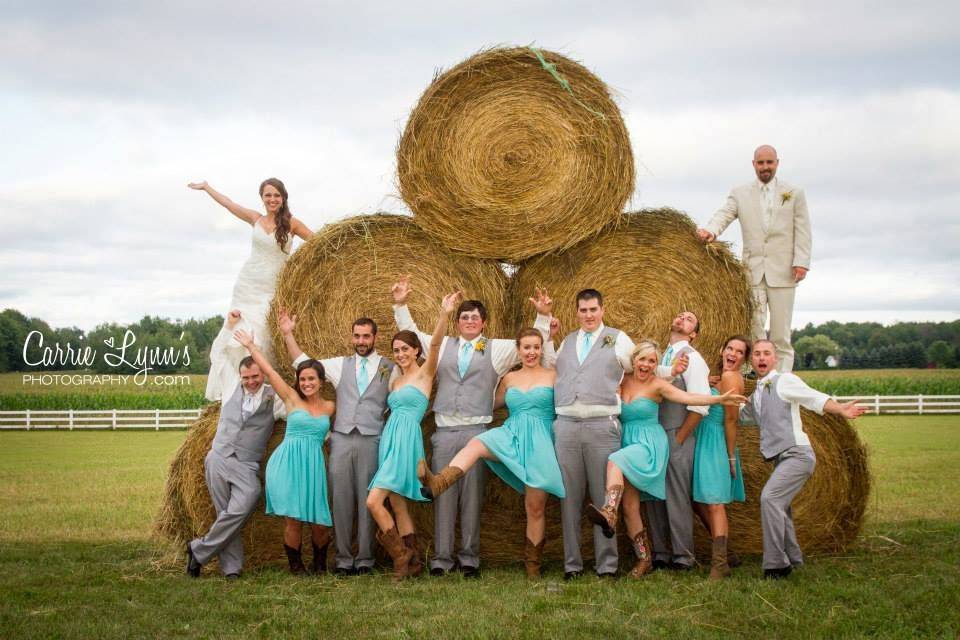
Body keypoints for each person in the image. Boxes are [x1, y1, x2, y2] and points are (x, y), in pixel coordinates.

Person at [391, 278, 551, 578]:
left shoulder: (497, 349)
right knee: (443, 495)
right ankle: (441, 559)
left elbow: (529, 345)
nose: (469, 321)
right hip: (445, 430)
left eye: (475, 317)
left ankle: (469, 559)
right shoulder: (443, 346)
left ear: (484, 322)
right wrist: (400, 304)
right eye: (464, 317)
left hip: (477, 431)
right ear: (457, 321)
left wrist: (542, 316)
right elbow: (413, 334)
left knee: (472, 497)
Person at [541, 289, 683, 579]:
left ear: (602, 310)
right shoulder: (568, 341)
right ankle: (572, 565)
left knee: (603, 497)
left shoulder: (618, 339)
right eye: (583, 310)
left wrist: (671, 371)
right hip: (566, 425)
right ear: (576, 312)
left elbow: (642, 364)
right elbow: (549, 362)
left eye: (593, 309)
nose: (588, 315)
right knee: (568, 497)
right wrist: (545, 323)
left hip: (601, 426)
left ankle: (606, 565)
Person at [585, 340, 745, 579]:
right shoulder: (621, 380)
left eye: (652, 361)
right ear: (634, 360)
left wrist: (719, 399)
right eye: (643, 359)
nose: (647, 365)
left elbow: (689, 397)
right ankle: (644, 559)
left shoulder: (658, 385)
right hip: (628, 440)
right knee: (630, 507)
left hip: (649, 443)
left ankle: (609, 510)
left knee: (614, 461)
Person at [419, 326, 565, 578]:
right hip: (512, 432)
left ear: (541, 349)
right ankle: (439, 482)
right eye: (526, 347)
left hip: (540, 439)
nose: (531, 352)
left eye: (536, 347)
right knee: (476, 443)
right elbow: (488, 404)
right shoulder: (509, 379)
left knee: (535, 507)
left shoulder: (553, 375)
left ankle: (533, 566)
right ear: (517, 351)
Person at [279, 310, 396, 576]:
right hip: (342, 439)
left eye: (366, 336)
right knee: (340, 500)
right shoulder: (339, 365)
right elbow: (304, 362)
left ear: (375, 337)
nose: (361, 340)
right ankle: (343, 558)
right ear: (352, 338)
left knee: (368, 500)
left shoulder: (390, 367)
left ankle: (365, 559)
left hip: (372, 439)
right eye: (357, 336)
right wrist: (288, 334)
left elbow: (403, 394)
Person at [740, 339, 865, 579]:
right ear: (752, 360)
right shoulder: (757, 392)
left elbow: (813, 397)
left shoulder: (784, 381)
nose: (762, 358)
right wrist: (712, 396)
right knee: (781, 508)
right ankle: (794, 559)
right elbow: (742, 415)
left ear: (775, 358)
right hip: (781, 458)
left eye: (767, 353)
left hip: (798, 455)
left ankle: (776, 564)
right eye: (757, 354)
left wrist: (841, 409)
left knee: (769, 499)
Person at [188, 178, 314, 401]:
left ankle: (263, 393)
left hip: (271, 290)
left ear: (283, 198)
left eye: (276, 195)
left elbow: (316, 241)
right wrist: (207, 188)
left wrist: (299, 267)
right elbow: (229, 204)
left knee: (261, 336)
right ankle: (237, 391)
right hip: (247, 285)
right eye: (268, 195)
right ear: (262, 198)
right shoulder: (255, 218)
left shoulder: (292, 224)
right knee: (238, 332)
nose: (272, 199)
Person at [366, 292, 458, 581]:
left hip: (406, 439)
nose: (401, 354)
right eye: (396, 350)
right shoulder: (396, 379)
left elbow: (435, 343)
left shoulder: (424, 375)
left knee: (373, 502)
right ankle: (414, 561)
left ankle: (400, 556)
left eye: (406, 349)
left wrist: (444, 314)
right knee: (397, 502)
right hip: (391, 438)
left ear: (416, 351)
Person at [185, 311, 286, 579]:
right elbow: (217, 353)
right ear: (240, 376)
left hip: (246, 465)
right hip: (218, 458)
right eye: (247, 377)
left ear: (262, 373)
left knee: (244, 503)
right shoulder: (231, 385)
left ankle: (198, 551)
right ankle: (231, 568)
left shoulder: (273, 397)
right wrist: (229, 325)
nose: (251, 381)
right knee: (223, 511)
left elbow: (297, 411)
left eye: (255, 376)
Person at [696, 145, 812, 373]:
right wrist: (711, 230)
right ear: (754, 164)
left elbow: (803, 229)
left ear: (777, 163)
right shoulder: (740, 193)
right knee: (756, 328)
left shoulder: (794, 192)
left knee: (781, 332)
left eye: (769, 162)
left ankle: (782, 379)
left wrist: (801, 261)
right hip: (753, 270)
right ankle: (757, 378)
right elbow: (725, 213)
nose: (765, 167)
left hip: (784, 270)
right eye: (761, 163)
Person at [234, 328, 334, 575]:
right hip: (288, 463)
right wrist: (250, 346)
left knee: (320, 522)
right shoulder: (291, 398)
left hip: (313, 465)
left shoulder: (330, 407)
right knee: (294, 520)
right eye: (303, 379)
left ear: (321, 381)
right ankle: (296, 567)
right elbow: (268, 371)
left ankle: (320, 565)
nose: (307, 383)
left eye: (311, 379)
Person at [646, 310, 711, 571]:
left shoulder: (692, 358)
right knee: (653, 494)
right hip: (655, 434)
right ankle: (661, 552)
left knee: (676, 495)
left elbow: (701, 403)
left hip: (676, 433)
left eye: (690, 319)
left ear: (693, 334)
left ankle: (683, 556)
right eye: (680, 315)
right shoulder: (663, 357)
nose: (682, 319)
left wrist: (681, 436)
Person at [691, 335, 750, 579]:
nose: (733, 354)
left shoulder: (731, 377)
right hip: (705, 440)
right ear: (721, 350)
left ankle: (719, 565)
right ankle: (727, 554)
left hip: (716, 442)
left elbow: (731, 419)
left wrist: (730, 457)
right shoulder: (721, 378)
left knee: (714, 503)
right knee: (699, 501)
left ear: (744, 360)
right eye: (730, 348)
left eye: (739, 352)